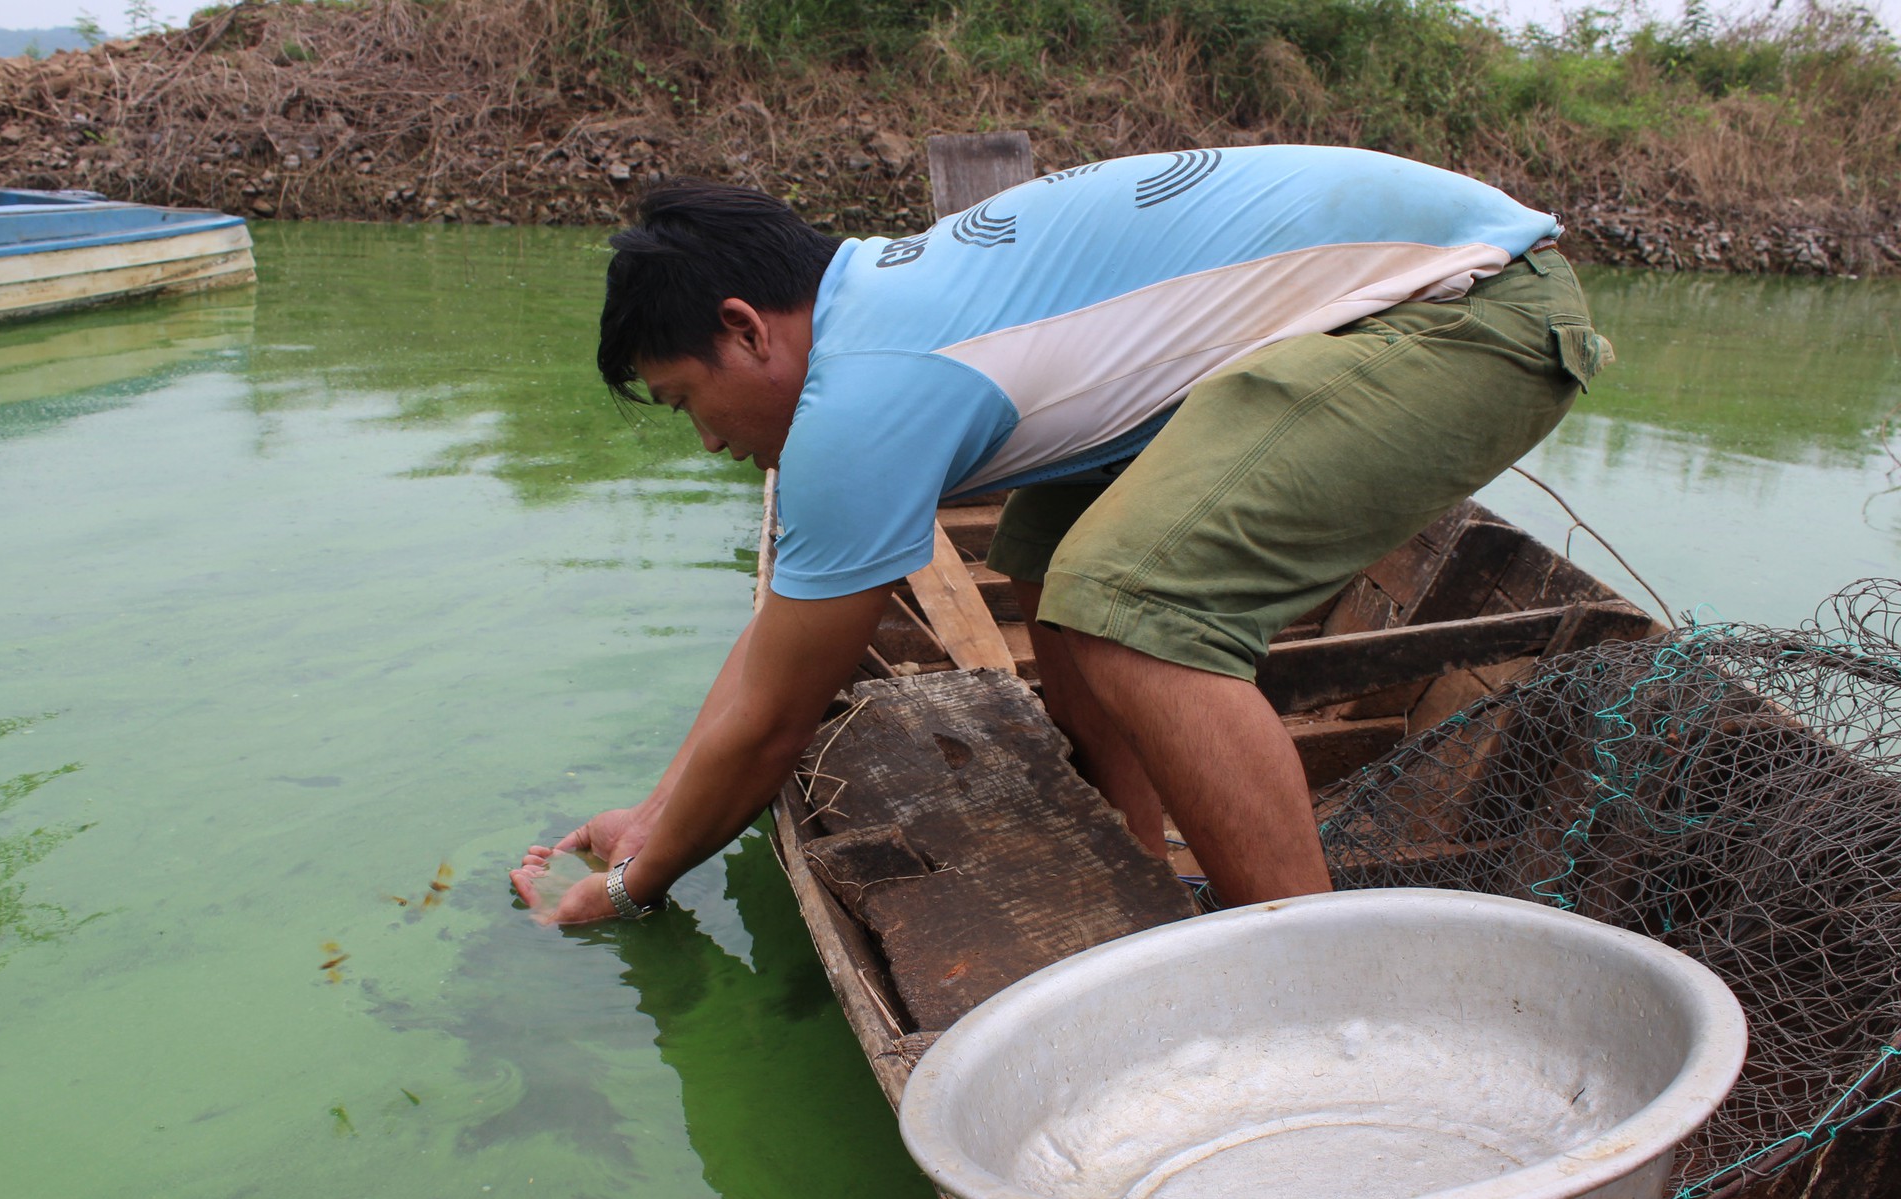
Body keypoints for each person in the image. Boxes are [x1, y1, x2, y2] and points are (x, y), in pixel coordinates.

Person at [511, 144, 1610, 925]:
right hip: (1397, 303)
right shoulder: (886, 301)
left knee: (1129, 604)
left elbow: (771, 723)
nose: (705, 441)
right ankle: (1141, 869)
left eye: (683, 399)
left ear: (745, 331)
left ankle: (1308, 978)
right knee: (1048, 562)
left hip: (1468, 312)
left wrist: (624, 888)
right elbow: (777, 646)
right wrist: (651, 814)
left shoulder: (861, 393)